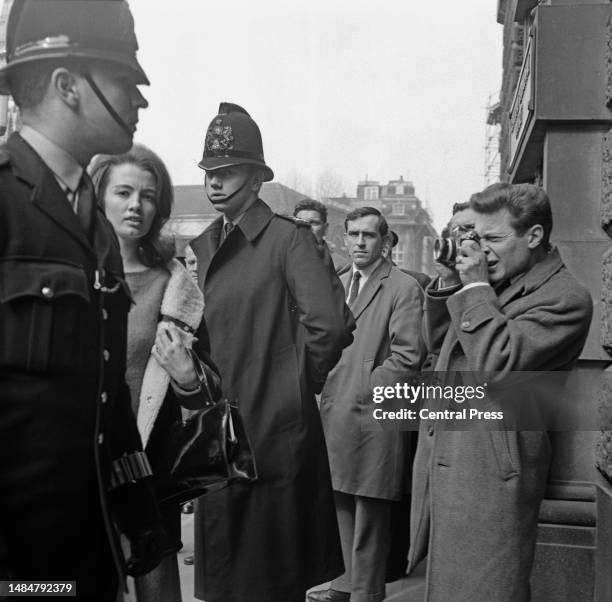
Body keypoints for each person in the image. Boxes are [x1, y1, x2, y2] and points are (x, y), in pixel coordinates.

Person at [0, 1, 164, 599]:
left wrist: (138, 506)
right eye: (123, 80)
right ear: (68, 86)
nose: (139, 101)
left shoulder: (92, 218)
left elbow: (104, 386)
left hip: (89, 551)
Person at [190, 102, 355, 602]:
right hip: (218, 433)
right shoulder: (202, 247)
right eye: (209, 173)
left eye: (228, 172)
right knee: (227, 576)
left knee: (270, 578)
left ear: (258, 178)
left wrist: (289, 389)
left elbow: (329, 325)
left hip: (273, 433)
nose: (215, 183)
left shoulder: (289, 240)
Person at [409, 183, 593, 601]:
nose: (483, 250)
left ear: (533, 236)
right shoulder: (505, 279)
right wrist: (450, 280)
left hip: (493, 474)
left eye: (493, 238)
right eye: (477, 237)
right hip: (456, 456)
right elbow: (445, 349)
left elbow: (498, 365)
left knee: (485, 590)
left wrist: (474, 289)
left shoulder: (565, 299)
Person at [89, 145, 221, 602]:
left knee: (156, 587)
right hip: (77, 462)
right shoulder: (71, 274)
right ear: (98, 197)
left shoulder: (176, 285)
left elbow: (208, 386)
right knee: (55, 583)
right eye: (123, 192)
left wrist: (187, 376)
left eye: (147, 195)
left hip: (146, 471)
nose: (135, 205)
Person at [310, 207, 425, 602]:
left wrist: (364, 385)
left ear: (385, 241)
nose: (360, 242)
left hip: (374, 411)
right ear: (343, 237)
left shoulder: (403, 287)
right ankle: (343, 587)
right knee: (340, 500)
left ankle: (365, 594)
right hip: (334, 409)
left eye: (369, 235)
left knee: (371, 509)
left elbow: (409, 357)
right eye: (354, 234)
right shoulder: (338, 282)